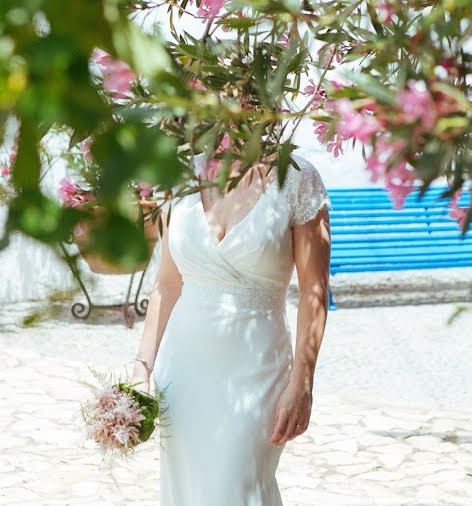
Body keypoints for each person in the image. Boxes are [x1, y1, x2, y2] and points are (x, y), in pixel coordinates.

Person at [130, 154, 331, 505]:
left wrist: (303, 381)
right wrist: (141, 368)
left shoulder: (297, 178)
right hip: (182, 373)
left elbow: (314, 290)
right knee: (187, 492)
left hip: (258, 370)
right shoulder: (176, 175)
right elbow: (166, 285)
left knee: (238, 489)